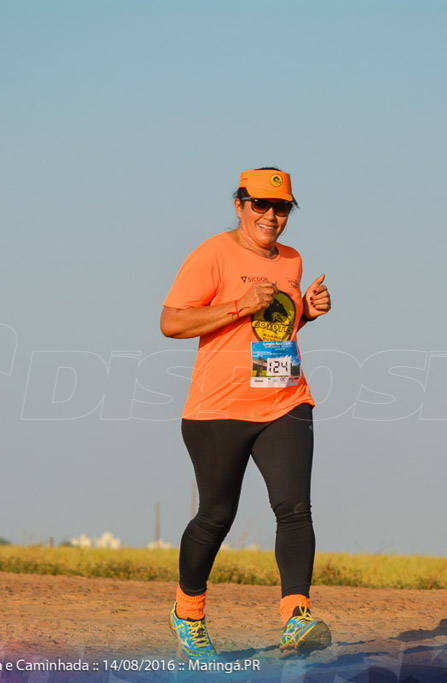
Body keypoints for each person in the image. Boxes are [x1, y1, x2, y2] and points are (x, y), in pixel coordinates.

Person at [160, 167, 332, 661]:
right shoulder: (213, 253)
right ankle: (188, 611)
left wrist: (306, 314)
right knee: (216, 516)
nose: (271, 216)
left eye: (281, 208)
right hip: (218, 410)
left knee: (295, 508)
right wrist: (237, 304)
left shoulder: (292, 261)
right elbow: (172, 321)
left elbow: (272, 328)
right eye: (260, 205)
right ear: (239, 205)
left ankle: (295, 617)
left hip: (285, 400)